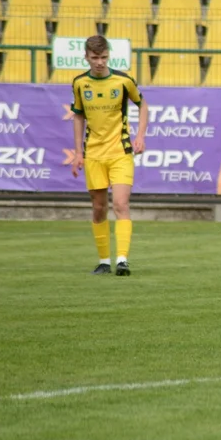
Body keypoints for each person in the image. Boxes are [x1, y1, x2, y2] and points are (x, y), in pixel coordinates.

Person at [69, 35, 147, 276]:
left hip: (120, 151)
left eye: (103, 57)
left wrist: (141, 135)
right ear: (86, 57)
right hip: (94, 154)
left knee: (121, 204)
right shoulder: (80, 83)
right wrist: (78, 152)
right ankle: (104, 261)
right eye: (95, 58)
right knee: (99, 207)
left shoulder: (123, 81)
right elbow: (79, 115)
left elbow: (142, 105)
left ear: (108, 56)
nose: (100, 62)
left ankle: (122, 260)